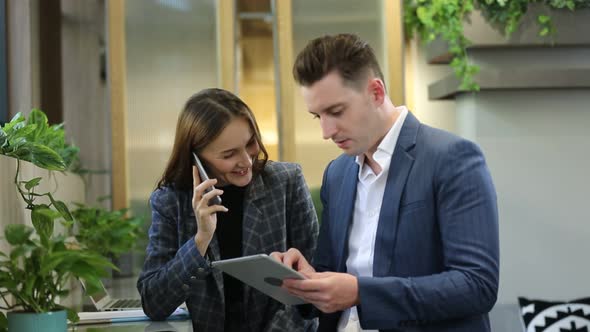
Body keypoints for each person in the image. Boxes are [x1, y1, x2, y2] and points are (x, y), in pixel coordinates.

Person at [271, 33, 499, 331]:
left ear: (376, 92)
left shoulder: (452, 158)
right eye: (317, 117)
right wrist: (307, 278)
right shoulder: (337, 174)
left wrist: (360, 293)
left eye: (336, 112)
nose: (326, 131)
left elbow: (477, 285)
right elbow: (334, 273)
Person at [137, 88, 319, 332]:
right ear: (197, 158)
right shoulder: (171, 201)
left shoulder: (287, 182)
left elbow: (315, 283)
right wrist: (200, 240)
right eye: (229, 154)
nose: (246, 161)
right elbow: (153, 303)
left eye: (250, 143)